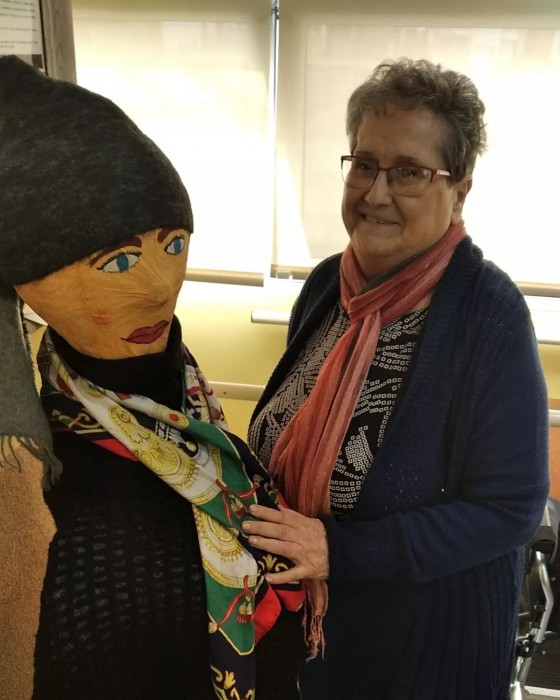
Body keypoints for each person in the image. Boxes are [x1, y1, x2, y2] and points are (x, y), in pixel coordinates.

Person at [0, 56, 305, 700]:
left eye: (173, 244)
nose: (160, 286)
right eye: (117, 262)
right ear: (28, 282)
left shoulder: (189, 404)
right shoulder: (36, 475)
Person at [246, 58, 550, 699]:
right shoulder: (328, 285)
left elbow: (510, 510)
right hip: (301, 637)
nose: (376, 193)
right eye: (364, 164)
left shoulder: (488, 316)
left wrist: (339, 551)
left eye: (409, 172)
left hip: (420, 655)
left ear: (459, 190)